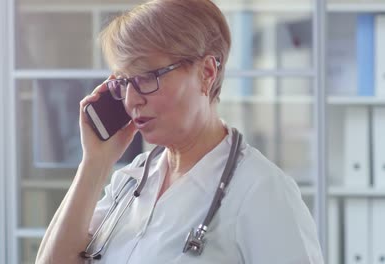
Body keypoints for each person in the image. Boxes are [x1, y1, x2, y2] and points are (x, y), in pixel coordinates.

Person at [36, 0, 325, 263]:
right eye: (124, 82)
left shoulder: (262, 191)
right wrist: (95, 164)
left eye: (147, 77)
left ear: (207, 73)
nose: (131, 99)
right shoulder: (131, 181)